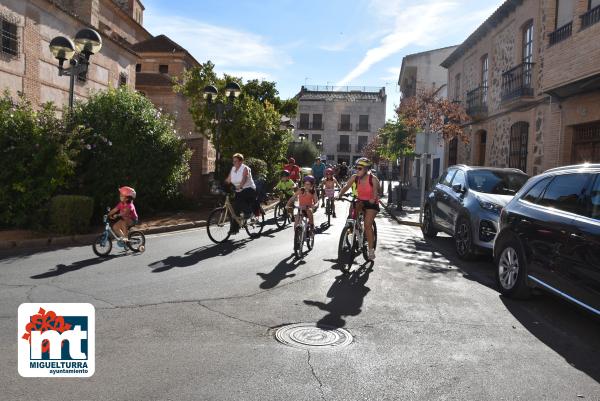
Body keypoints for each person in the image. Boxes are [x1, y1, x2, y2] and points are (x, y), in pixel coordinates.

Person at [338, 158, 380, 260]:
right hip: (360, 201)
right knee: (352, 216)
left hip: (371, 204)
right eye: (356, 168)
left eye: (359, 168)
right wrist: (339, 195)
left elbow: (376, 192)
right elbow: (347, 186)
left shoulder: (373, 179)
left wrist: (372, 199)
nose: (357, 170)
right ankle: (354, 228)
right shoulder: (355, 177)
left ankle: (370, 250)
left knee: (367, 225)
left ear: (366, 169)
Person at [225, 153, 257, 235]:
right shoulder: (233, 169)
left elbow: (244, 179)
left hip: (249, 189)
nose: (234, 163)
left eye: (236, 161)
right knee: (235, 210)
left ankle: (249, 213)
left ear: (241, 161)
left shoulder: (245, 168)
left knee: (240, 201)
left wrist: (239, 186)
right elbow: (228, 180)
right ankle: (234, 229)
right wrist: (221, 185)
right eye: (233, 161)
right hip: (239, 190)